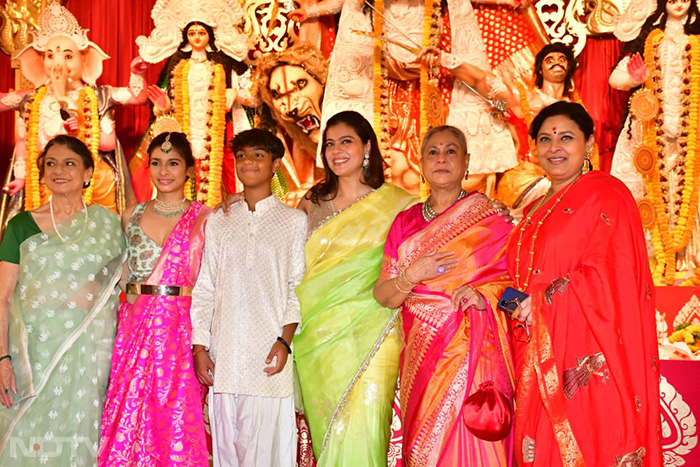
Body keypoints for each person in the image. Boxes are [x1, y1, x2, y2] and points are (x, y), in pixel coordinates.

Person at [507, 101, 661, 466]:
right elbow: (518, 278)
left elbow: (613, 273)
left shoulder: (606, 194)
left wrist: (547, 300)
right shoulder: (532, 210)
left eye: (566, 138)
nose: (554, 147)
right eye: (545, 139)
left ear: (589, 143)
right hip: (537, 348)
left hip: (589, 353)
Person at [373, 125, 514, 466]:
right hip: (422, 358)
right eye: (433, 152)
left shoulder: (494, 218)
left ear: (466, 162)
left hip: (476, 356)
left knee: (477, 446)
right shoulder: (404, 222)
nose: (441, 159)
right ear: (421, 164)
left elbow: (520, 295)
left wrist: (487, 299)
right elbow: (385, 296)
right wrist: (411, 275)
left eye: (450, 151)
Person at [292, 0, 517, 195]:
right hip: (384, 84)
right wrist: (312, 12)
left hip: (433, 82)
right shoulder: (369, 11)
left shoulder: (454, 65)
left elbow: (496, 94)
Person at [294, 110, 416, 466]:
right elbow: (291, 268)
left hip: (375, 332)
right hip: (316, 338)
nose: (336, 151)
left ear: (366, 147)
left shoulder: (398, 204)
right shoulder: (310, 204)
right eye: (329, 144)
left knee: (365, 425)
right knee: (327, 431)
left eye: (346, 141)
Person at [0, 135, 126, 465]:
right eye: (50, 164)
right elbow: (3, 297)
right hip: (33, 353)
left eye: (69, 163)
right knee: (30, 433)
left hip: (92, 354)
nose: (59, 170)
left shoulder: (110, 226)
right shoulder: (21, 227)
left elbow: (125, 284)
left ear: (88, 173)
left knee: (82, 434)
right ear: (41, 173)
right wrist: (1, 359)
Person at [190, 129, 306, 466]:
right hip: (225, 357)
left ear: (275, 164)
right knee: (229, 453)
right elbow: (206, 287)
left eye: (257, 155)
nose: (248, 162)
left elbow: (294, 287)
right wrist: (200, 347)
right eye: (241, 156)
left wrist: (285, 342)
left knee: (270, 453)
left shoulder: (294, 221)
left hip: (269, 358)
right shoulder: (219, 221)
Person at [99, 132, 210, 465]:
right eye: (157, 163)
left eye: (174, 163)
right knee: (131, 408)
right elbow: (115, 272)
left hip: (182, 329)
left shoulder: (207, 218)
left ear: (189, 169)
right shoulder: (129, 215)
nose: (165, 171)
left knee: (176, 412)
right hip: (135, 328)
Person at [8, 2, 146, 214]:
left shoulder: (99, 96)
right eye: (50, 55)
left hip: (91, 182)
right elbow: (22, 143)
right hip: (42, 180)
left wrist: (137, 74)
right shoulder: (32, 100)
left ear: (85, 60)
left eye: (68, 56)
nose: (58, 63)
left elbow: (136, 101)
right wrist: (20, 176)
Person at [610, 0, 700, 284]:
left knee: (689, 194)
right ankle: (651, 263)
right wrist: (636, 78)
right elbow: (615, 78)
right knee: (650, 195)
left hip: (692, 129)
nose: (678, 4)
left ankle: (689, 262)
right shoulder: (649, 38)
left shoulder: (697, 40)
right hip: (648, 131)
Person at [134, 0, 251, 207]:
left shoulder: (225, 63)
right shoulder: (177, 65)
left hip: (219, 135)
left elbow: (254, 94)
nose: (197, 37)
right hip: (183, 131)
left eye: (201, 33)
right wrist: (162, 105)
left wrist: (236, 93)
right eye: (192, 33)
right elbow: (163, 103)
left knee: (220, 178)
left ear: (210, 35)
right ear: (186, 36)